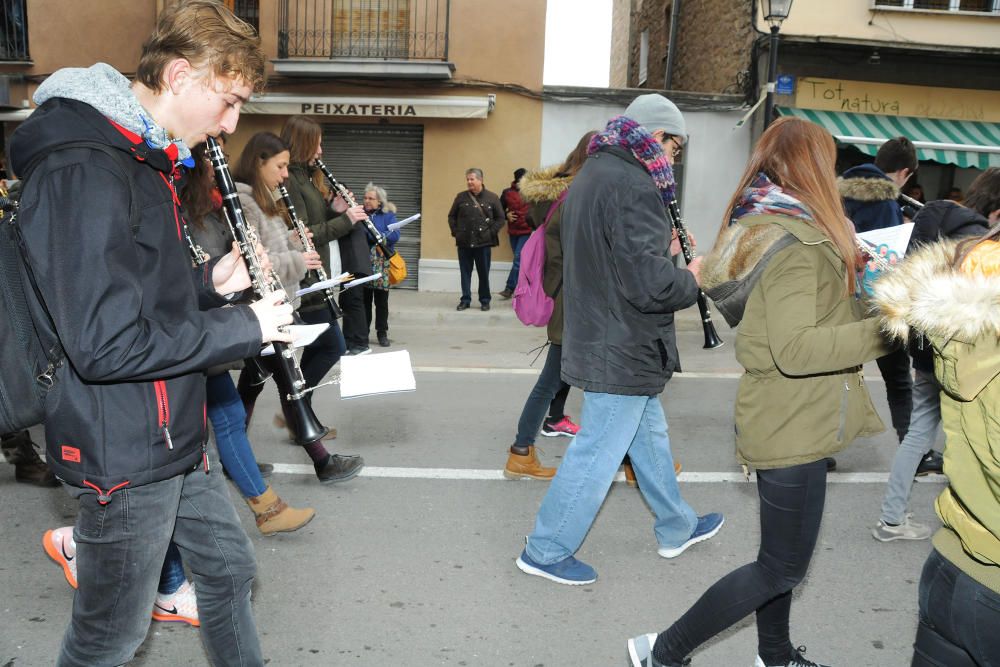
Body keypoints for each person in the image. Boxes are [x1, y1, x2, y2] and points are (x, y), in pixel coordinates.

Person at [8, 2, 291, 664]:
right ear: (181, 75)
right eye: (228, 102)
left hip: (170, 431)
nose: (231, 124)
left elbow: (138, 305)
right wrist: (242, 326)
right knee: (108, 638)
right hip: (122, 452)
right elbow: (103, 344)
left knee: (226, 572)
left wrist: (209, 290)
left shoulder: (145, 160)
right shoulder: (85, 167)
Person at [627, 117, 891, 667]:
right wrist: (891, 330)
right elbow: (795, 349)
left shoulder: (781, 226)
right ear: (813, 168)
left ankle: (773, 654)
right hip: (791, 421)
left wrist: (862, 283)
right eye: (830, 162)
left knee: (780, 558)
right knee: (781, 568)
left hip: (797, 416)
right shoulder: (795, 242)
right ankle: (663, 651)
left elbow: (807, 317)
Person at [515, 94, 722, 586]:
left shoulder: (595, 171)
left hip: (601, 331)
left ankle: (677, 525)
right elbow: (649, 286)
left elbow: (612, 253)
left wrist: (659, 247)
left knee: (648, 437)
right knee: (599, 451)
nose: (674, 157)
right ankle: (545, 550)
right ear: (655, 136)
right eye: (674, 146)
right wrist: (691, 275)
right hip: (623, 343)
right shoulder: (637, 184)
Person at [871, 206, 1000, 666]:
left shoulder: (961, 309)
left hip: (951, 562)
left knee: (921, 433)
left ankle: (891, 515)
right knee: (920, 434)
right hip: (992, 581)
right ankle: (890, 517)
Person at [184, 139, 316, 534]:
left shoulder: (212, 209)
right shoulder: (195, 214)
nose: (216, 163)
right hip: (195, 334)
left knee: (227, 415)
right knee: (218, 421)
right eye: (210, 156)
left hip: (208, 332)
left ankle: (266, 508)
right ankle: (262, 508)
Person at [872, 167, 999, 543]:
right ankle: (971, 522)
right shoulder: (980, 242)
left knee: (919, 432)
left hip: (924, 345)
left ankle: (891, 518)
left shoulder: (934, 216)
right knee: (969, 438)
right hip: (963, 356)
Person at [233, 131, 364, 485]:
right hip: (263, 306)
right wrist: (296, 261)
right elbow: (252, 260)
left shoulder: (263, 197)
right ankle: (322, 461)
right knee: (289, 382)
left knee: (252, 384)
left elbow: (270, 245)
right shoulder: (243, 201)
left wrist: (294, 244)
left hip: (276, 301)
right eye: (280, 166)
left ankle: (236, 459)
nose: (285, 174)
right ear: (259, 162)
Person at [502, 134, 593, 480]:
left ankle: (522, 450)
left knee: (565, 382)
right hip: (577, 306)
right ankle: (521, 450)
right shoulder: (574, 201)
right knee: (571, 384)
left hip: (570, 304)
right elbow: (571, 258)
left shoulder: (560, 196)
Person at [839, 136, 918, 445]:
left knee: (834, 375)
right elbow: (889, 261)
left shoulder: (838, 193)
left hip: (840, 298)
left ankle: (818, 447)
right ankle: (914, 447)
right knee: (898, 377)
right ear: (905, 172)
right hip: (876, 302)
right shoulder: (885, 204)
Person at [279, 115, 369, 358]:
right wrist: (347, 220)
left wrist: (335, 210)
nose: (320, 151)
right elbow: (304, 234)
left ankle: (299, 397)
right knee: (331, 348)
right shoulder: (290, 182)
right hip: (307, 278)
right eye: (316, 144)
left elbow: (316, 223)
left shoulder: (306, 177)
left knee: (320, 349)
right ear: (302, 144)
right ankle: (297, 397)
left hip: (319, 274)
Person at [447, 168, 505, 311]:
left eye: (472, 179)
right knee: (465, 273)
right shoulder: (461, 197)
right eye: (467, 179)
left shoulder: (492, 197)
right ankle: (465, 300)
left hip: (483, 243)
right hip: (464, 242)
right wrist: (456, 232)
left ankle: (485, 300)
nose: (469, 182)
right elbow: (451, 216)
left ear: (480, 180)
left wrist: (491, 233)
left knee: (483, 273)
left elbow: (500, 218)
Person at [361, 182, 400, 347]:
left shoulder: (388, 215)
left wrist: (377, 235)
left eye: (371, 198)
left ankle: (382, 333)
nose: (367, 201)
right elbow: (361, 235)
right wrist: (380, 235)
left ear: (379, 201)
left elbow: (395, 236)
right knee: (365, 302)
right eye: (365, 197)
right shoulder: (360, 214)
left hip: (382, 265)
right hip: (363, 263)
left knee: (381, 303)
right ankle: (364, 333)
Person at [498, 167, 534, 299]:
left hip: (527, 231)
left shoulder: (532, 192)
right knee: (520, 262)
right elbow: (498, 210)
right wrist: (506, 215)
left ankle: (509, 288)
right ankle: (525, 288)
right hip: (513, 231)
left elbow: (538, 209)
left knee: (518, 259)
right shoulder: (507, 193)